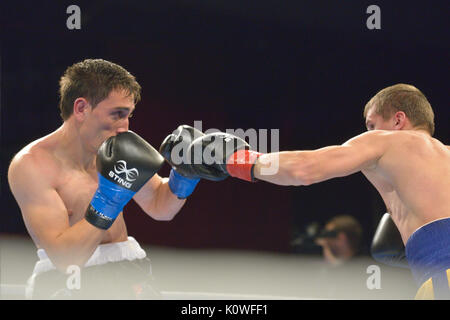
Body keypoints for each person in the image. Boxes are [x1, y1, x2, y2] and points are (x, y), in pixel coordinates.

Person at [172, 83, 450, 299]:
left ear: (398, 119)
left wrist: (237, 160)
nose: (370, 131)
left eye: (372, 124)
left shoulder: (386, 142)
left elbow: (305, 169)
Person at [7, 59, 201, 299]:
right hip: (71, 283)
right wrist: (108, 200)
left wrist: (185, 174)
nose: (124, 127)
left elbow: (161, 207)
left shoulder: (115, 147)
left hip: (130, 272)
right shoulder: (32, 165)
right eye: (117, 114)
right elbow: (66, 259)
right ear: (81, 108)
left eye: (128, 115)